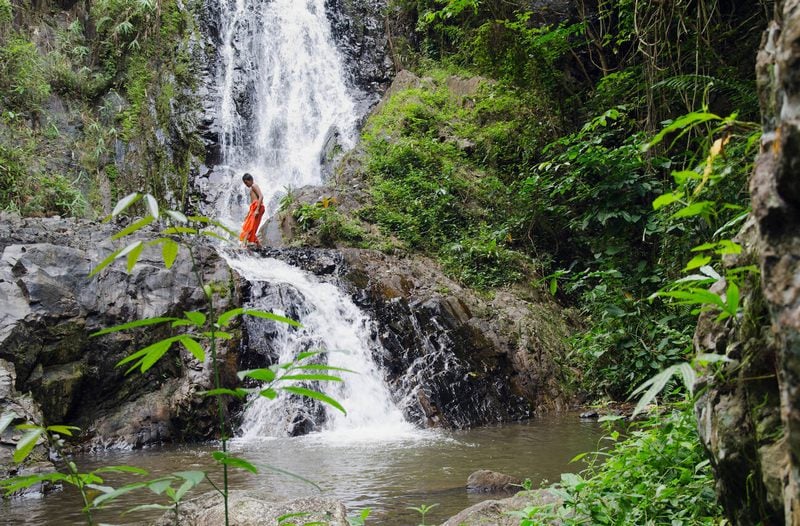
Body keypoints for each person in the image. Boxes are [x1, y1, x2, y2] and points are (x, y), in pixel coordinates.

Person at [239, 173, 265, 246]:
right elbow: (252, 203)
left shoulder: (254, 185)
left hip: (257, 208)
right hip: (254, 208)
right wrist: (248, 214)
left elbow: (261, 196)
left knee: (250, 227)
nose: (246, 185)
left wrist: (257, 210)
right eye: (244, 183)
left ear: (250, 180)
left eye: (246, 182)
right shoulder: (252, 188)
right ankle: (259, 246)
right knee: (250, 226)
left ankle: (243, 245)